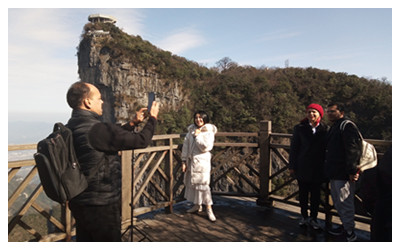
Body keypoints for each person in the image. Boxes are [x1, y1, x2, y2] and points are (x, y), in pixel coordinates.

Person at [65, 81, 159, 242]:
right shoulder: (97, 129)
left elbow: (107, 137)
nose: (102, 102)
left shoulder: (71, 126)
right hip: (101, 205)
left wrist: (132, 124)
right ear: (87, 102)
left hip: (79, 201)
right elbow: (141, 140)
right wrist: (153, 119)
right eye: (99, 98)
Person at [324, 103, 362, 242]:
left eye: (332, 111)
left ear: (341, 112)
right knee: (339, 201)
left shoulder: (346, 126)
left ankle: (350, 232)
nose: (329, 114)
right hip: (335, 171)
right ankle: (345, 227)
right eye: (328, 111)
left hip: (344, 173)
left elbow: (352, 149)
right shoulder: (336, 126)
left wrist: (352, 171)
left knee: (345, 202)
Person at [289, 103, 328, 230]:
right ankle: (304, 216)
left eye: (314, 112)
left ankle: (314, 218)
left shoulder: (325, 129)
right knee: (303, 194)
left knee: (316, 195)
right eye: (309, 112)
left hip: (318, 167)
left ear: (319, 115)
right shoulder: (299, 128)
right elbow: (294, 149)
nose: (311, 114)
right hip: (303, 166)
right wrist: (292, 166)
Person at [182, 111, 218, 222]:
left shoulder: (209, 132)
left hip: (202, 162)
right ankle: (197, 205)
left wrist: (197, 136)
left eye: (200, 118)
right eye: (196, 117)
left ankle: (209, 208)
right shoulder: (190, 131)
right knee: (193, 184)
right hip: (191, 162)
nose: (198, 120)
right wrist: (184, 161)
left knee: (203, 186)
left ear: (205, 119)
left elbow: (206, 147)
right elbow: (185, 146)